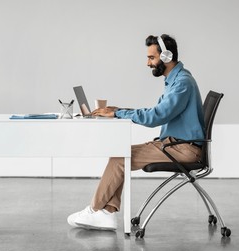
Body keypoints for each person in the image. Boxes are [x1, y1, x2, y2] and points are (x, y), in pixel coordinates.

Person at [67, 34, 205, 231]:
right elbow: (154, 112)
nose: (148, 63)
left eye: (152, 58)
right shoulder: (175, 81)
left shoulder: (182, 83)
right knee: (120, 155)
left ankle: (95, 210)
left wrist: (119, 113)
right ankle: (106, 213)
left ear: (166, 56)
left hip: (183, 148)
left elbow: (155, 117)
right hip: (175, 144)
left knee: (121, 158)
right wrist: (118, 110)